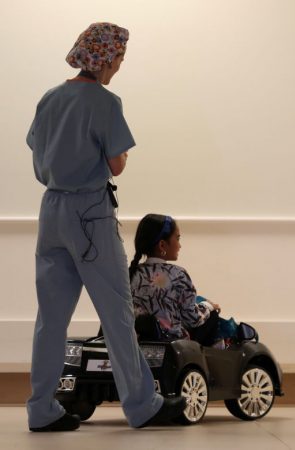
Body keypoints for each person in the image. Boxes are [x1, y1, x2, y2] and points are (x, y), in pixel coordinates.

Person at [25, 23, 185, 432]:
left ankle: (41, 408)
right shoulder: (106, 103)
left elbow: (38, 154)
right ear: (104, 58)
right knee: (117, 313)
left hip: (52, 212)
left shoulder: (49, 99)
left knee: (51, 318)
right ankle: (141, 404)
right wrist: (118, 157)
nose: (119, 68)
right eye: (119, 60)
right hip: (90, 214)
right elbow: (116, 164)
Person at [130, 214, 225, 345]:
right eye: (177, 238)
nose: (180, 245)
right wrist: (208, 306)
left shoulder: (131, 273)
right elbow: (193, 319)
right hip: (172, 344)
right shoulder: (178, 274)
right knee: (212, 316)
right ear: (162, 245)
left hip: (136, 343)